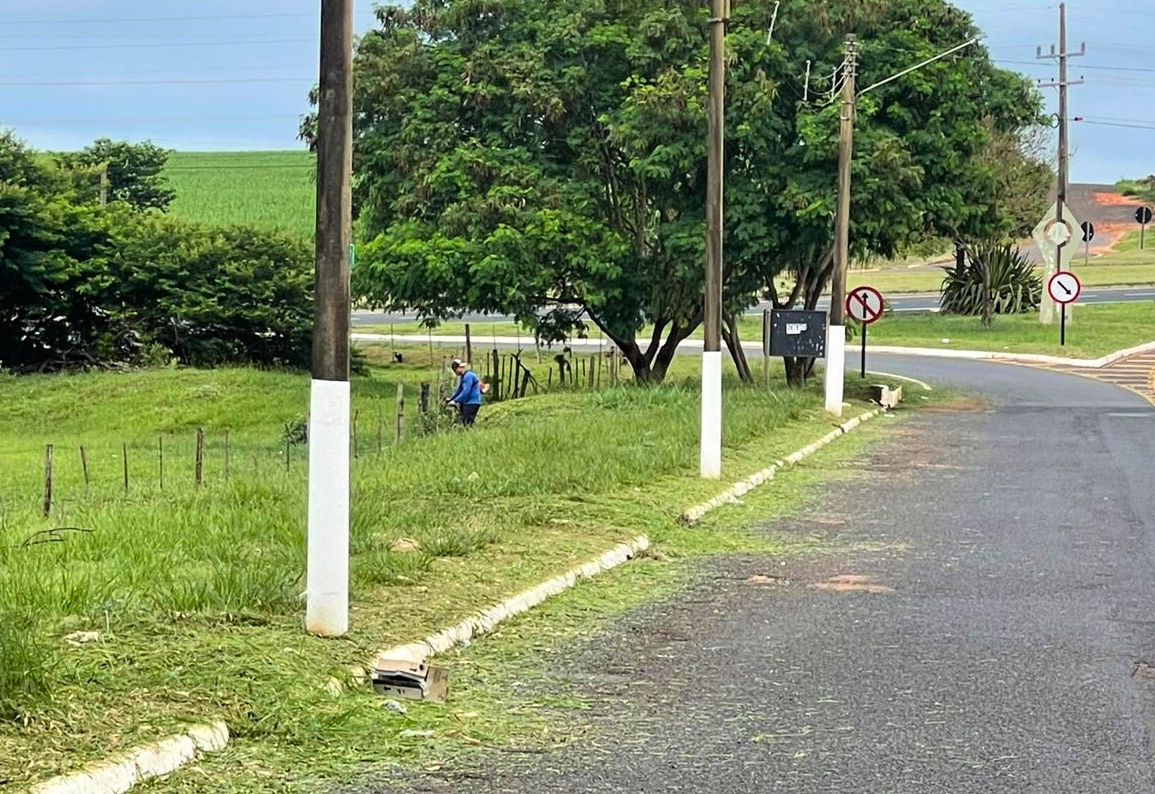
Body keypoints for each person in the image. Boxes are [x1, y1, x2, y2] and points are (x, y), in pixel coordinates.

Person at [446, 358, 482, 426]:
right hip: (467, 402)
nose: (455, 372)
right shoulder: (463, 376)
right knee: (464, 422)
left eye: (455, 369)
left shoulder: (468, 376)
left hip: (472, 402)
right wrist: (451, 399)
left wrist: (455, 401)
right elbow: (459, 390)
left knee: (467, 423)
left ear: (459, 368)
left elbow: (466, 391)